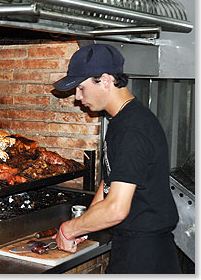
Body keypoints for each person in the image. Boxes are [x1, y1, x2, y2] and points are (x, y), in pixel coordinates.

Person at [51, 43, 181, 274]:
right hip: (135, 245)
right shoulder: (123, 119)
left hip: (144, 255)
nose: (78, 98)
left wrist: (69, 229)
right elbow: (111, 180)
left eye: (81, 88)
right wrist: (86, 224)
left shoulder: (131, 128)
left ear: (105, 80)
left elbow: (117, 209)